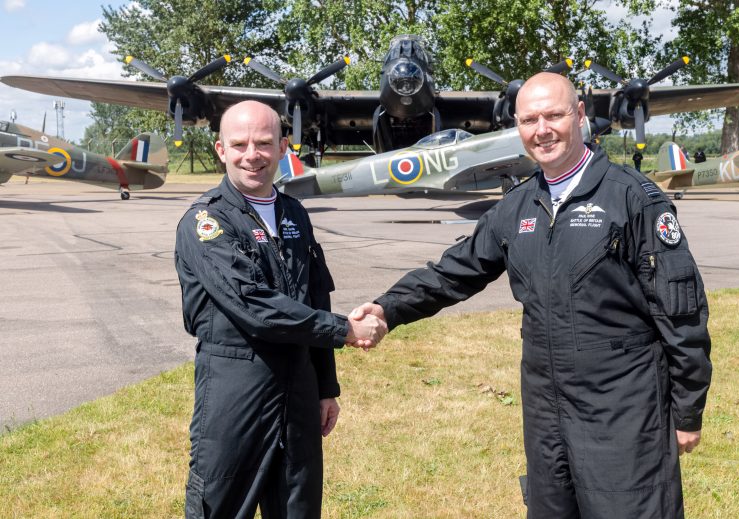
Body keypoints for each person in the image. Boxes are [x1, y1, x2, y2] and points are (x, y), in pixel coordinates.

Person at [352, 73, 711, 518]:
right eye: (529, 119)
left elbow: (681, 312)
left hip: (624, 408)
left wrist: (687, 410)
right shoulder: (517, 207)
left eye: (554, 115)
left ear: (580, 116)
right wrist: (388, 308)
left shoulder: (634, 199)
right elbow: (454, 272)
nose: (542, 129)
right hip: (546, 411)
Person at [174, 100, 386, 518]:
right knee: (220, 506)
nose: (251, 155)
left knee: (298, 506)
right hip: (237, 385)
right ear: (221, 150)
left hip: (299, 387)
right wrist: (343, 330)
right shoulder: (206, 221)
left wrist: (326, 387)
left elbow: (314, 295)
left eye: (264, 143)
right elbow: (254, 306)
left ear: (283, 147)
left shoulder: (294, 213)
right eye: (239, 144)